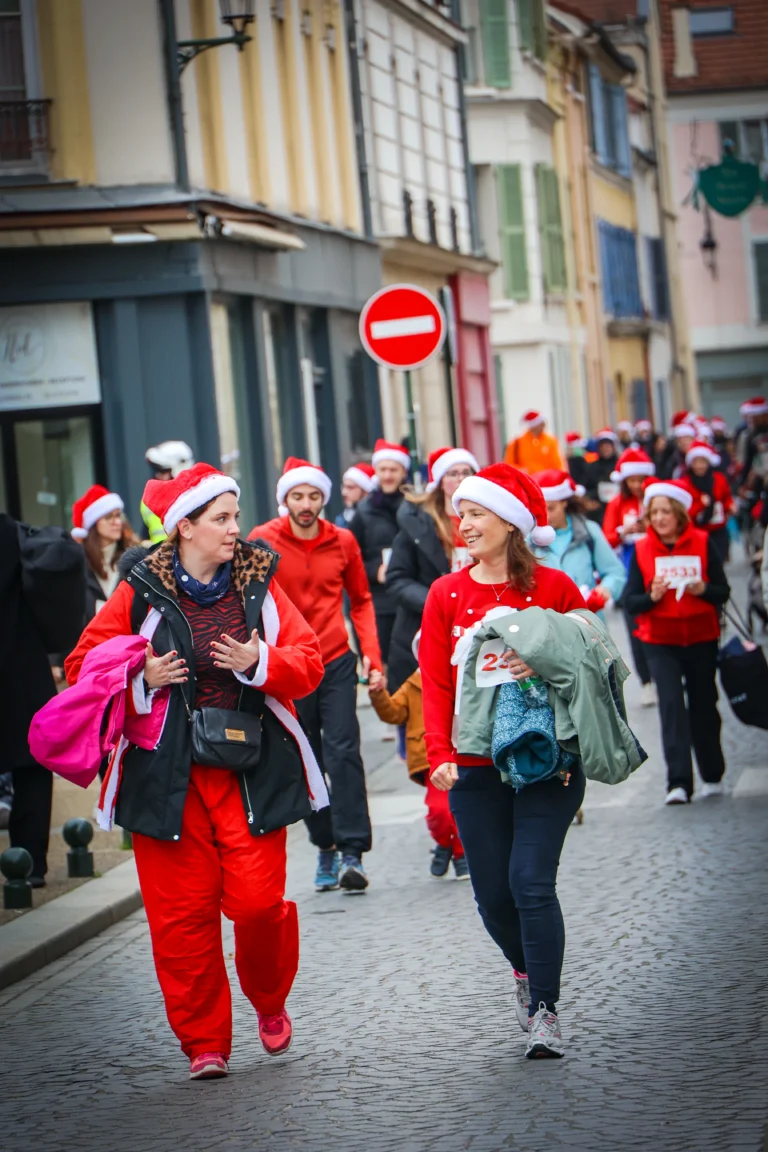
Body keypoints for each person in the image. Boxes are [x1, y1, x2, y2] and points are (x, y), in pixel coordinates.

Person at [64, 463, 326, 1079]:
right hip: (164, 772)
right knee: (181, 917)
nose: (236, 528)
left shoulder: (258, 581)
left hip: (250, 767)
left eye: (235, 516)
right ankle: (204, 1042)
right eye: (221, 518)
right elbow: (82, 666)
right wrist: (139, 675)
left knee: (258, 905)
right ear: (184, 526)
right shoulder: (139, 588)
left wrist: (260, 660)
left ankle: (268, 998)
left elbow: (309, 661)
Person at [420, 463, 587, 1059]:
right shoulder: (446, 594)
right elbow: (435, 683)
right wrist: (438, 755)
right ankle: (524, 970)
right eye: (460, 514)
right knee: (493, 895)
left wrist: (544, 661)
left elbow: (591, 670)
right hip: (473, 765)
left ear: (511, 523)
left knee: (530, 882)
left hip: (548, 761)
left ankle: (544, 1010)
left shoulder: (556, 588)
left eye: (476, 513)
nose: (463, 524)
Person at [249, 457, 381, 893]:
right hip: (288, 664)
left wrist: (372, 657)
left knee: (344, 753)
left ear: (323, 498)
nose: (305, 504)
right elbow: (247, 601)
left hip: (336, 660)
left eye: (313, 496)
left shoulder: (342, 540)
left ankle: (352, 851)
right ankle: (325, 844)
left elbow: (361, 600)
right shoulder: (262, 540)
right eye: (297, 496)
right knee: (303, 758)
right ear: (285, 499)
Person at [623, 479, 730, 806]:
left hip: (701, 638)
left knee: (704, 706)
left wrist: (703, 590)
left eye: (665, 512)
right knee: (671, 708)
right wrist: (651, 596)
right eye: (654, 512)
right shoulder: (642, 549)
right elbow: (630, 601)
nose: (659, 518)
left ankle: (712, 774)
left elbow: (723, 592)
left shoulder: (702, 541)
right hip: (660, 641)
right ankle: (678, 782)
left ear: (679, 514)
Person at [1, 514, 86, 884]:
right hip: (23, 667)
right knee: (32, 765)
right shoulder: (13, 533)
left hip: (23, 668)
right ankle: (32, 863)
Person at [368, 632, 468, 879]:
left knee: (464, 810)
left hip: (465, 754)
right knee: (439, 812)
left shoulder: (464, 676)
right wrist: (379, 693)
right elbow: (393, 713)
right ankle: (446, 844)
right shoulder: (414, 683)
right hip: (431, 759)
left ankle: (460, 854)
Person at [386, 446, 479, 694]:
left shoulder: (488, 521)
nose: (460, 479)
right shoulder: (418, 525)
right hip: (425, 627)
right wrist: (435, 601)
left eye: (466, 472)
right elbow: (396, 579)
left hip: (476, 623)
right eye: (452, 473)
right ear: (440, 482)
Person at [602, 448, 656, 705]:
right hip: (628, 572)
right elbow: (607, 538)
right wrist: (624, 531)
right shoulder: (616, 504)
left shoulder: (657, 499)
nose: (636, 485)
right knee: (635, 629)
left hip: (655, 569)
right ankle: (646, 681)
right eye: (631, 480)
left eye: (640, 480)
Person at [531, 469, 626, 615]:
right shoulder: (529, 540)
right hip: (548, 624)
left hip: (588, 619)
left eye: (551, 508)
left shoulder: (588, 531)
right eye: (540, 511)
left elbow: (615, 572)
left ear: (564, 502)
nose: (546, 517)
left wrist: (604, 590)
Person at [349, 438, 410, 666]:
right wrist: (375, 571)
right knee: (383, 665)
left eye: (393, 470)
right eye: (383, 469)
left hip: (410, 600)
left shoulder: (415, 507)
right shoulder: (363, 512)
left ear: (403, 472)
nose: (388, 475)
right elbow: (351, 560)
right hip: (380, 602)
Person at [70, 485, 140, 621]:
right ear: (94, 523)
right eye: (109, 517)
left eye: (118, 515)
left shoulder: (132, 559)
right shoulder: (79, 562)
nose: (117, 522)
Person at [680, 441, 734, 564]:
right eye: (696, 462)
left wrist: (730, 506)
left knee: (718, 563)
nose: (699, 466)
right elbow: (684, 512)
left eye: (703, 462)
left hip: (718, 531)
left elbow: (726, 498)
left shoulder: (719, 479)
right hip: (697, 532)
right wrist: (701, 504)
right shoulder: (685, 483)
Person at [141, 441, 195, 543]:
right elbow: (145, 533)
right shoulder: (150, 498)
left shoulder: (195, 498)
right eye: (156, 471)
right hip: (160, 551)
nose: (158, 475)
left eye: (163, 471)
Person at [584, 429, 620, 524]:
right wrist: (590, 499)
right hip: (599, 508)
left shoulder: (620, 465)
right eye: (602, 446)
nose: (605, 449)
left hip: (619, 505)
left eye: (607, 446)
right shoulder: (592, 466)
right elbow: (588, 486)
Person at [656, 414, 695, 480]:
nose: (683, 442)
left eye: (686, 438)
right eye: (680, 439)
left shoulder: (699, 457)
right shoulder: (673, 460)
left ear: (693, 439)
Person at [336, 462, 376, 527]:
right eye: (343, 487)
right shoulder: (341, 520)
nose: (344, 492)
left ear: (365, 491)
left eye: (350, 487)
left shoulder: (376, 520)